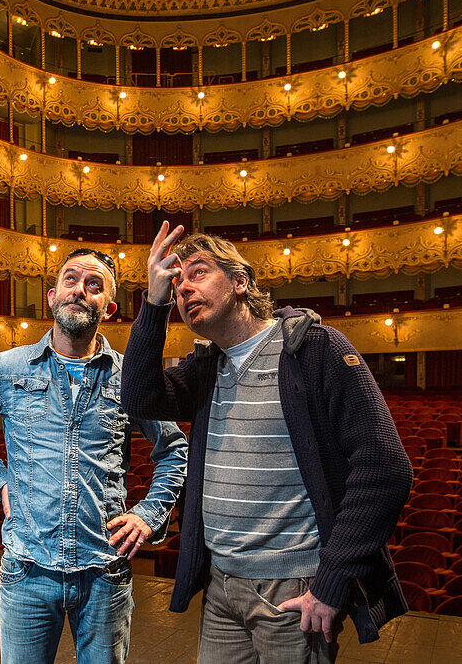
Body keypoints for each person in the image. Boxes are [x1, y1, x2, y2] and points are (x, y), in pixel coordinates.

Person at [120, 224, 413, 663]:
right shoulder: (207, 367)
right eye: (177, 285)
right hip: (221, 586)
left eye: (198, 273)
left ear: (240, 282)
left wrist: (331, 584)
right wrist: (154, 302)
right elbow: (140, 396)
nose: (184, 289)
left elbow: (385, 468)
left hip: (294, 591)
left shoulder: (314, 349)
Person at [0, 248, 188, 664]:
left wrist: (149, 514)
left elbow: (175, 448)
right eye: (70, 280)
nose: (79, 290)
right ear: (52, 296)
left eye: (94, 286)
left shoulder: (131, 377)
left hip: (103, 573)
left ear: (107, 308)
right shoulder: (7, 368)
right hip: (27, 571)